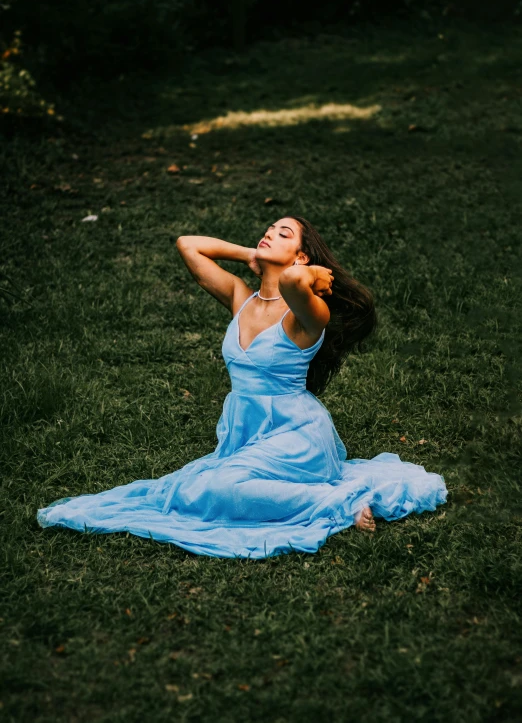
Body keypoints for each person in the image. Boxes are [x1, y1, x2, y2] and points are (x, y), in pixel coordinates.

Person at [37, 216, 447, 559]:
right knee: (186, 489)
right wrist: (252, 254)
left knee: (216, 487)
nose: (269, 233)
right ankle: (319, 497)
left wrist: (300, 272)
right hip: (248, 433)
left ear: (301, 257)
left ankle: (338, 502)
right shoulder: (242, 299)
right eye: (269, 229)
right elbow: (188, 245)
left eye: (283, 234)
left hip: (297, 437)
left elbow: (290, 284)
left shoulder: (307, 313)